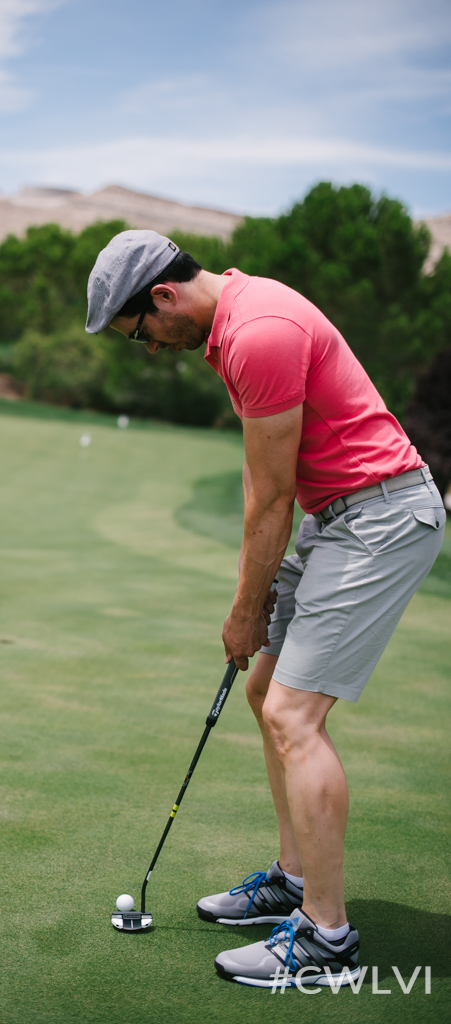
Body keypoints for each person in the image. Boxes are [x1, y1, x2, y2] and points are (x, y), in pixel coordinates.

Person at [86, 230, 446, 988]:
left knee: (292, 715)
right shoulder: (231, 325)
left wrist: (247, 609)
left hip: (379, 517)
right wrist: (257, 593)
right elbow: (266, 485)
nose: (149, 348)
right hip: (337, 515)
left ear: (163, 296)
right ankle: (293, 877)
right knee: (263, 693)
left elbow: (273, 496)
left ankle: (326, 937)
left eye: (143, 332)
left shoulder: (258, 333)